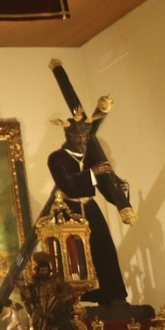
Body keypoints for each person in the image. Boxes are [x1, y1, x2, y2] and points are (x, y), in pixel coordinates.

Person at [46, 115, 134, 304]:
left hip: (90, 208)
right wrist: (91, 173)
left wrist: (121, 192)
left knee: (105, 249)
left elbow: (104, 187)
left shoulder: (90, 158)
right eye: (78, 137)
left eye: (85, 137)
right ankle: (76, 298)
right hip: (69, 211)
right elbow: (67, 184)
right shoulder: (56, 158)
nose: (82, 141)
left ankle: (112, 295)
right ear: (69, 136)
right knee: (75, 253)